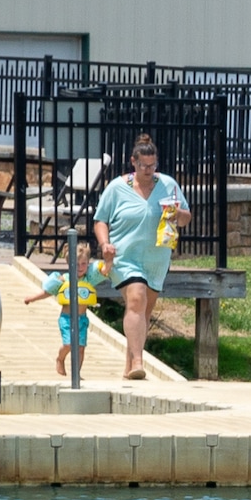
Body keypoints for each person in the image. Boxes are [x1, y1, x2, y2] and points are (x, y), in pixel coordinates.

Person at [87, 133, 188, 382]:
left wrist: (178, 215)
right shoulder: (117, 187)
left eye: (152, 165)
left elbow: (186, 217)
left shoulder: (168, 184)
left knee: (143, 312)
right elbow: (100, 220)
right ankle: (139, 361)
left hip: (156, 258)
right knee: (136, 297)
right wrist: (104, 243)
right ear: (133, 162)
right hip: (125, 256)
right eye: (143, 165)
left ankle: (129, 365)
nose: (148, 170)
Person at [23, 238, 100, 385]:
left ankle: (76, 373)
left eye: (84, 264)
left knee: (81, 348)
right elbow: (48, 292)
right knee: (69, 345)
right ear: (69, 263)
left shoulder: (89, 280)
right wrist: (32, 298)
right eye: (76, 264)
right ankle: (60, 358)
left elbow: (103, 270)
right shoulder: (64, 279)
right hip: (66, 318)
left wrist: (109, 262)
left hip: (82, 319)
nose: (80, 267)